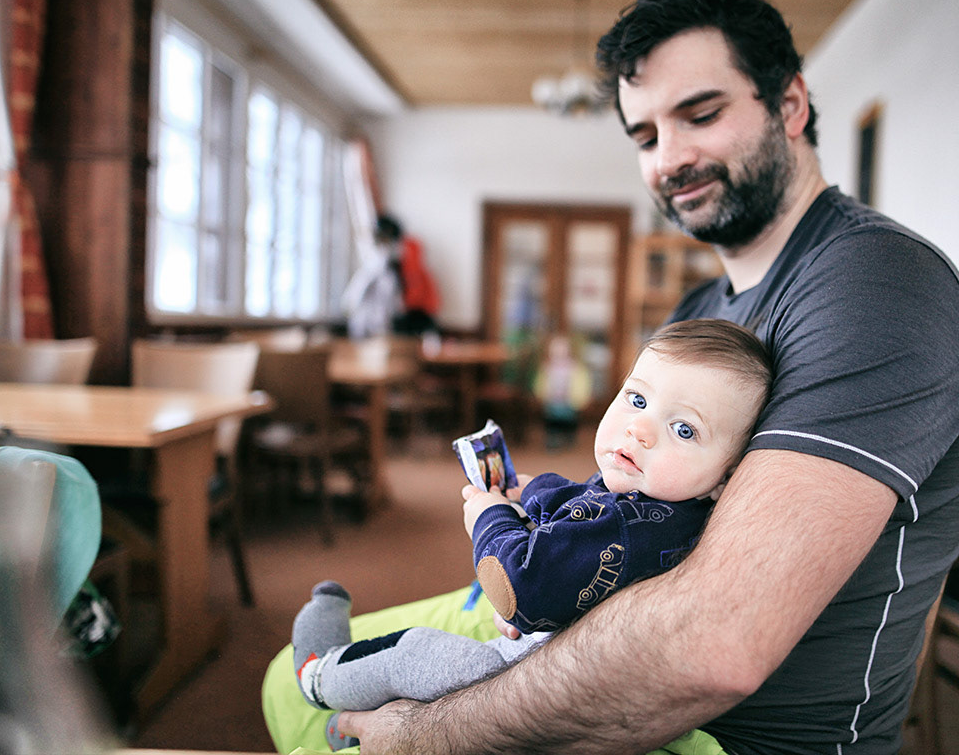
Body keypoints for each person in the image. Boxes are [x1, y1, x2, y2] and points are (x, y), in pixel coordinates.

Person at [263, 0, 959, 753]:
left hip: (738, 737)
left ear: (790, 104)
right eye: (644, 135)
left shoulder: (877, 283)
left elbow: (715, 642)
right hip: (602, 633)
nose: (668, 158)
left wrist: (432, 735)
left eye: (700, 114)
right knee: (284, 686)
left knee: (330, 721)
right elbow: (624, 505)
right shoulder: (698, 309)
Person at [289, 319, 773, 751]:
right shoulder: (665, 506)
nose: (640, 429)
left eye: (684, 429)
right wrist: (531, 490)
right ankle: (353, 728)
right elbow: (583, 503)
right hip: (561, 661)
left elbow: (516, 586)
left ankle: (319, 673)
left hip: (528, 689)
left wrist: (491, 517)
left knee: (417, 656)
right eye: (638, 400)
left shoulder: (629, 527)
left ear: (727, 475)